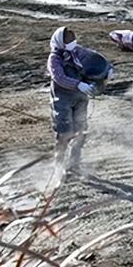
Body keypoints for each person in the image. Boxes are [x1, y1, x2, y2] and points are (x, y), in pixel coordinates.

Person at [47, 26, 100, 169]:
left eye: (73, 39)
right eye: (69, 40)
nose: (73, 42)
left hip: (80, 98)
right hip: (62, 100)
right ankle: (59, 164)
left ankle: (74, 162)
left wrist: (106, 68)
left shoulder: (77, 52)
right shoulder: (55, 59)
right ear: (60, 42)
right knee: (65, 132)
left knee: (81, 130)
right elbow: (59, 77)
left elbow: (94, 58)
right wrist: (78, 84)